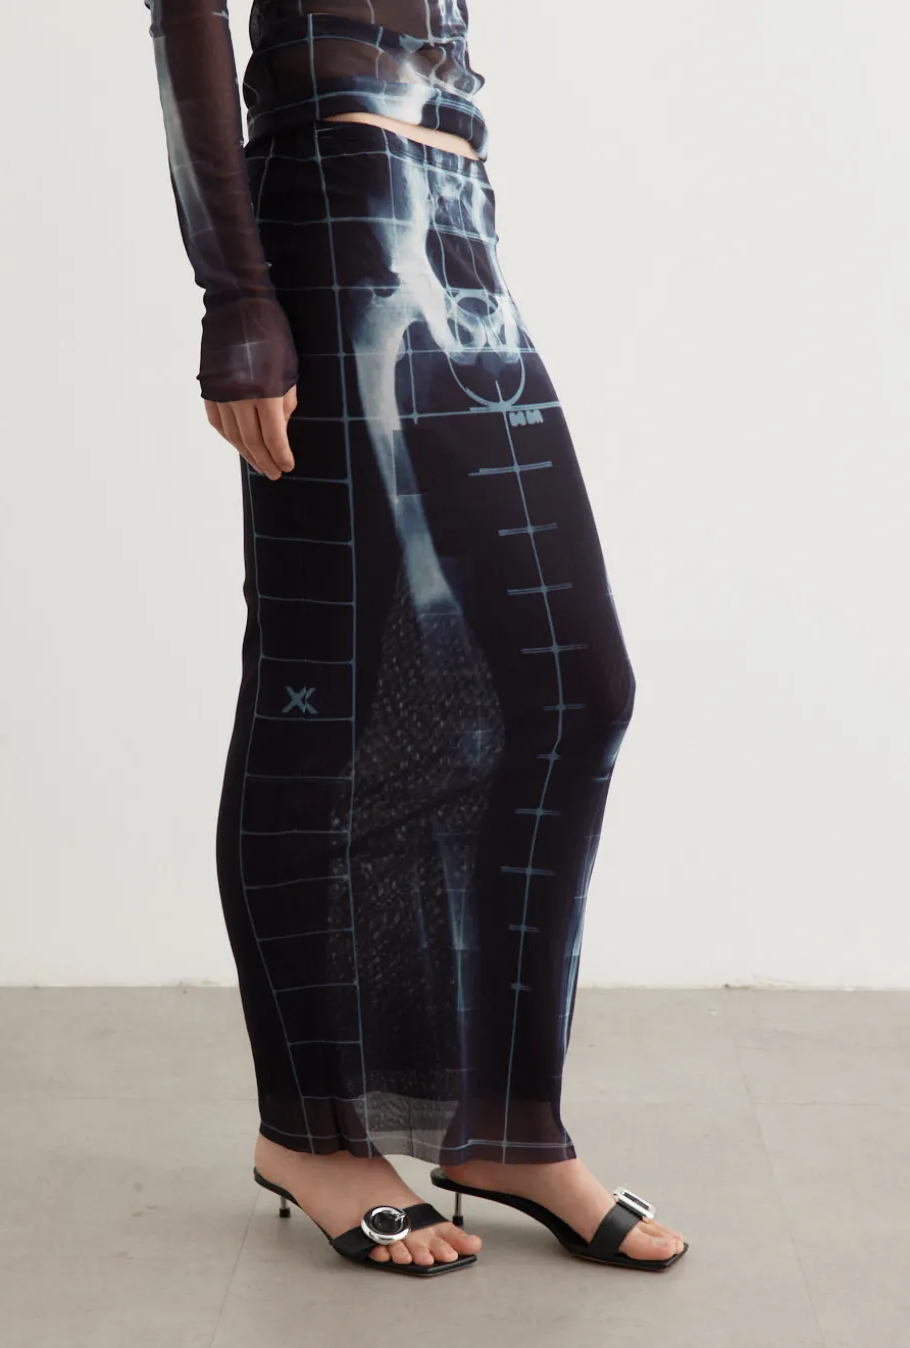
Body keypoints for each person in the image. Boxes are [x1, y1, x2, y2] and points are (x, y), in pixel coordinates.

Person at [142, 0, 688, 1277]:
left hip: (459, 209)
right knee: (317, 685)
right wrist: (236, 293)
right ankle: (312, 1132)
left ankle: (507, 1120)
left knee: (573, 690)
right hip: (329, 209)